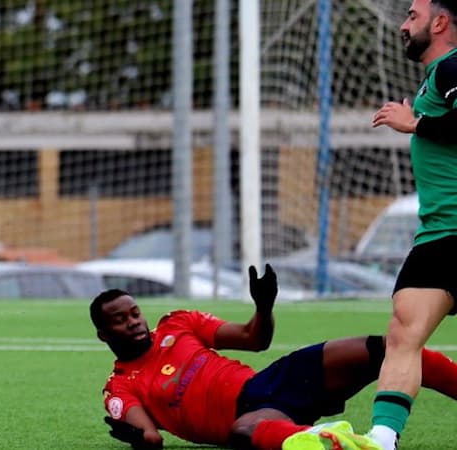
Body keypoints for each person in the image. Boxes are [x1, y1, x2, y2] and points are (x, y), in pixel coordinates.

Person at [92, 265, 457, 450]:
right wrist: (137, 438)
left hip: (271, 381)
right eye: (120, 321)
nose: (133, 323)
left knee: (386, 347)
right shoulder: (119, 386)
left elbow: (254, 339)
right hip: (250, 416)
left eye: (134, 313)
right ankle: (331, 441)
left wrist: (263, 306)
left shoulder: (178, 323)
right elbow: (152, 438)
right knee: (243, 433)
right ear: (104, 334)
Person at [368, 1, 457, 448]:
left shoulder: (454, 67)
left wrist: (416, 123)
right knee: (403, 332)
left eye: (412, 16)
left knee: (404, 332)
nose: (403, 25)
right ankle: (382, 439)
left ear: (439, 23)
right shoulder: (438, 76)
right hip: (442, 235)